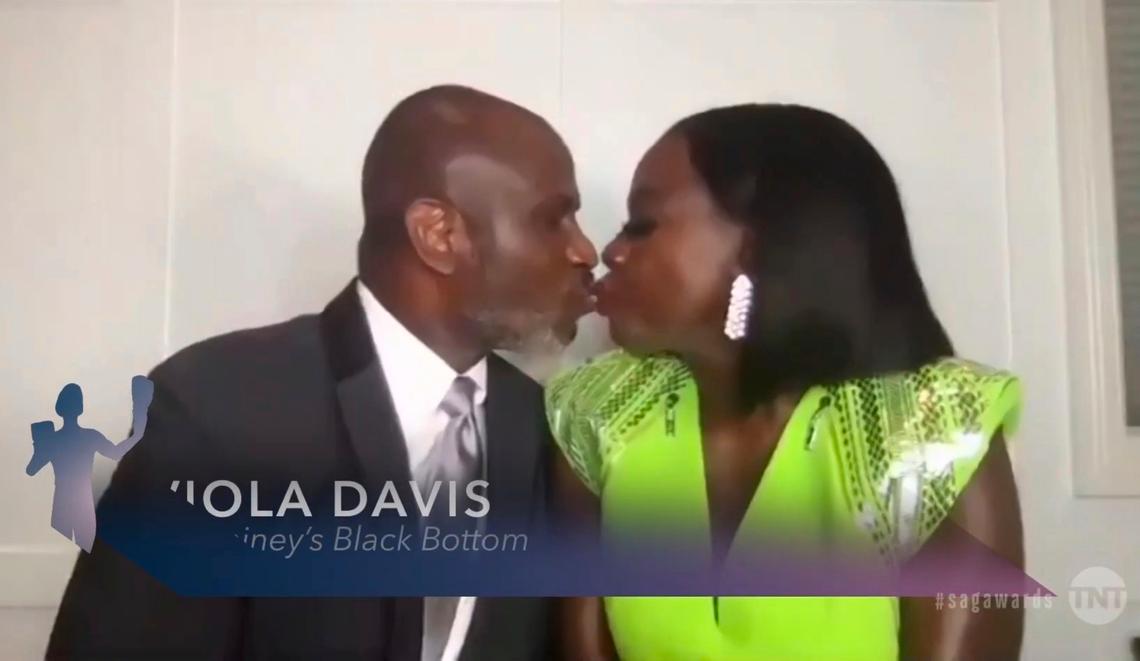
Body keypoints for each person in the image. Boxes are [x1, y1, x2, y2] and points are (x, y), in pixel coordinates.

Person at [48, 84, 598, 660]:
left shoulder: (546, 431)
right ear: (438, 235)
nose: (586, 250)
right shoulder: (217, 411)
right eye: (552, 220)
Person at [546, 104, 1025, 660]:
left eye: (643, 223)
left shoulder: (931, 429)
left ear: (751, 248)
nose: (610, 251)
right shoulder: (599, 412)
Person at [26, 377, 153, 552]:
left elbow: (32, 469)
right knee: (82, 551)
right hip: (79, 503)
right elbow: (117, 453)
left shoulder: (54, 439)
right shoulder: (87, 436)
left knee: (68, 551)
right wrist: (137, 434)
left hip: (68, 502)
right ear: (80, 408)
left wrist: (39, 446)